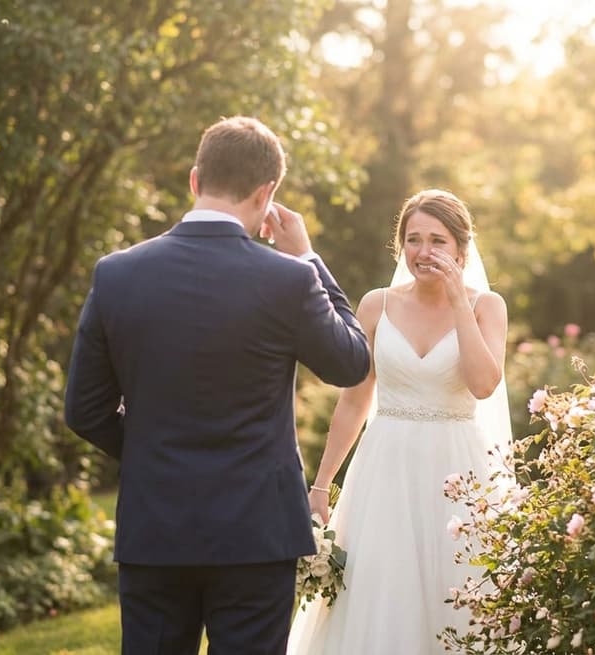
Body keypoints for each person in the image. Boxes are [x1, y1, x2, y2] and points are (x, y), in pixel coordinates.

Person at [63, 115, 371, 655]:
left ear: (194, 179)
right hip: (256, 531)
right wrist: (307, 257)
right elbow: (351, 363)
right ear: (266, 193)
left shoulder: (117, 274)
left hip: (155, 526)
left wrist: (151, 453)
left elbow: (84, 410)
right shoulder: (290, 279)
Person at [286, 189, 512, 654]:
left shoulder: (487, 306)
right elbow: (353, 403)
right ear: (400, 246)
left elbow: (484, 384)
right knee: (381, 590)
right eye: (413, 239)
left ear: (461, 250)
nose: (424, 252)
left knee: (458, 587)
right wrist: (322, 484)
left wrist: (457, 302)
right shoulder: (376, 305)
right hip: (385, 468)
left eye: (437, 241)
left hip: (459, 471)